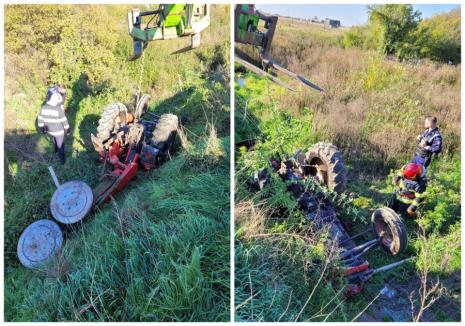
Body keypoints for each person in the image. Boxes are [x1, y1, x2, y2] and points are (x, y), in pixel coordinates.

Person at [37, 92, 71, 164]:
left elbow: (40, 120)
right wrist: (67, 130)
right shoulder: (58, 109)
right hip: (58, 131)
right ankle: (63, 160)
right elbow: (64, 121)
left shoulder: (43, 108)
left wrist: (42, 129)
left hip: (49, 130)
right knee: (60, 145)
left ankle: (55, 150)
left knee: (54, 139)